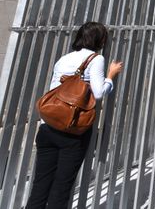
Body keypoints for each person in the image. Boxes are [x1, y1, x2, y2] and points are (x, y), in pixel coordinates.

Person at [27, 21, 124, 209]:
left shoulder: (64, 58)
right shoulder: (96, 59)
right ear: (100, 40)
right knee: (61, 188)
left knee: (40, 185)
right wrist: (110, 76)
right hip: (71, 131)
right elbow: (98, 93)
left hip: (47, 127)